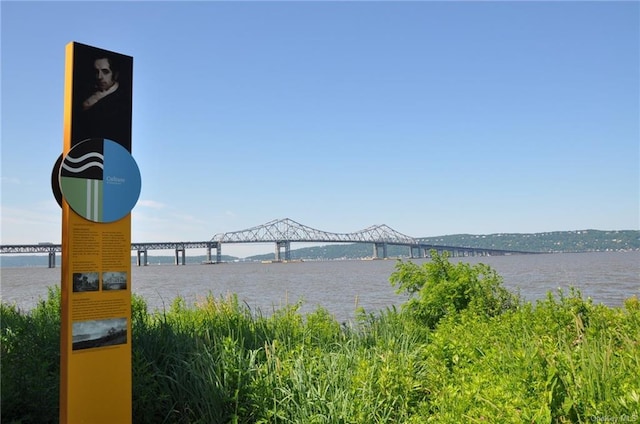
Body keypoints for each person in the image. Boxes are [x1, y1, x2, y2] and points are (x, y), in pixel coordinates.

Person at [74, 54, 132, 149]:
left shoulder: (122, 102)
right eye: (96, 72)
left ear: (115, 74)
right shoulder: (84, 91)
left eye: (105, 72)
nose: (99, 76)